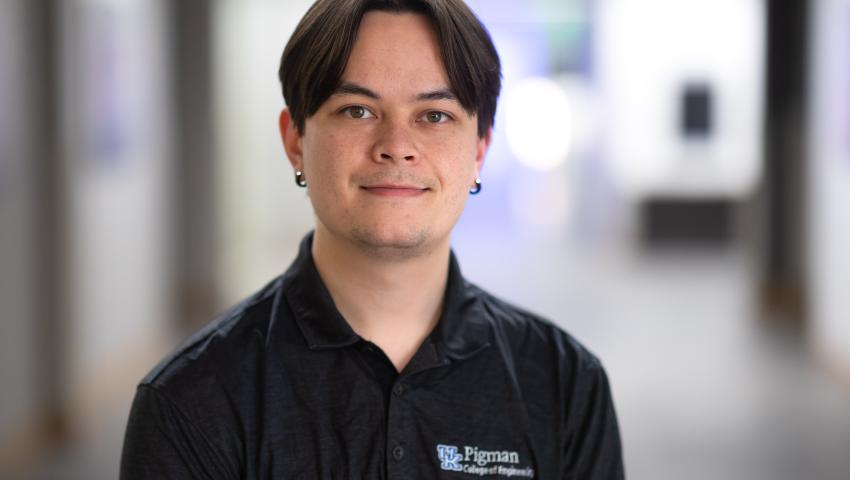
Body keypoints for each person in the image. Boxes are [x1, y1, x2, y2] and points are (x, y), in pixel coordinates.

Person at [119, 0, 624, 478]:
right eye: (358, 110)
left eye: (435, 116)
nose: (397, 147)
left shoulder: (564, 384)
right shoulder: (191, 401)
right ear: (296, 141)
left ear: (479, 150)